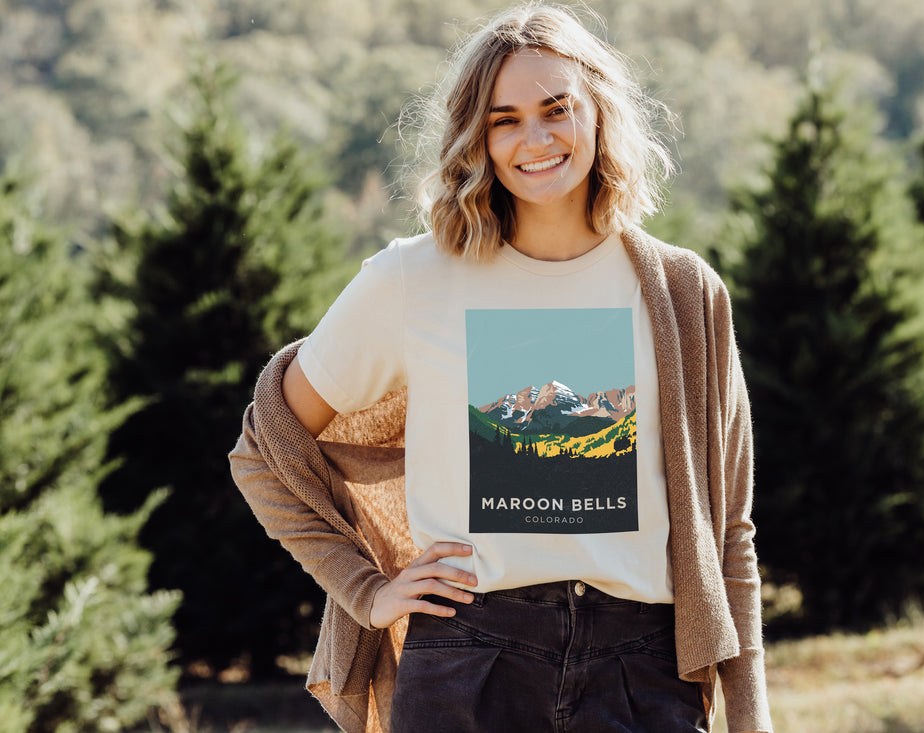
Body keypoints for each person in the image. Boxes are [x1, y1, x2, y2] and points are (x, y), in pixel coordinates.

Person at [230, 4, 772, 732]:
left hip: (641, 671)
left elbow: (728, 528)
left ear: (600, 113)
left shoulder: (683, 291)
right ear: (475, 136)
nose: (535, 139)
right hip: (466, 666)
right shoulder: (411, 278)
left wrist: (752, 714)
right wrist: (365, 588)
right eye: (504, 119)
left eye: (557, 109)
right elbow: (266, 449)